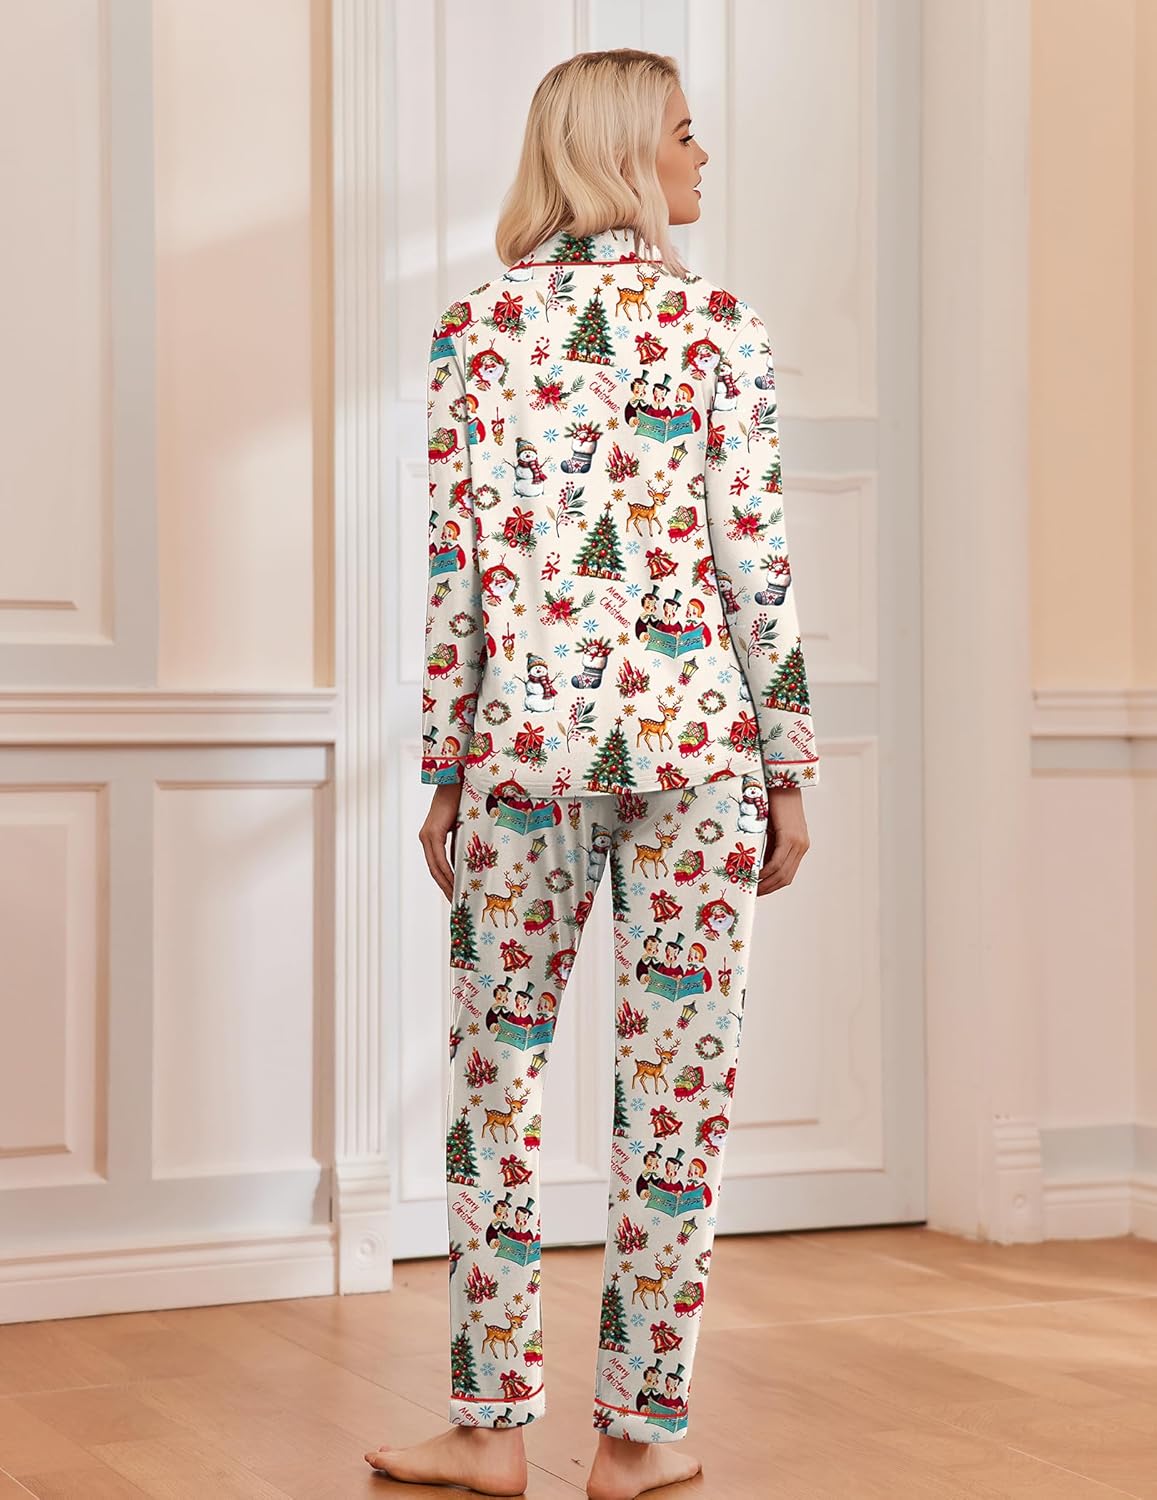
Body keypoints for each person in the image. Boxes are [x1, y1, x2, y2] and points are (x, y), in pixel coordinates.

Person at [366, 47, 820, 1500]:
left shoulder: (473, 332)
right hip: (702, 755)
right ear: (626, 156)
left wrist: (445, 770)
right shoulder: (719, 329)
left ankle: (490, 1428)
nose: (702, 160)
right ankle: (639, 1439)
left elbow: (456, 581)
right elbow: (755, 567)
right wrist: (790, 765)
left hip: (522, 755)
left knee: (492, 1087)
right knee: (678, 1101)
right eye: (683, 136)